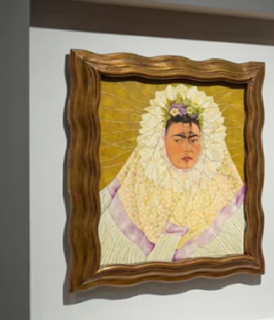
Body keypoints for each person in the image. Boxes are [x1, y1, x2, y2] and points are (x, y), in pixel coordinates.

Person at [96, 84, 246, 266]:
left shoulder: (218, 186)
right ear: (162, 141)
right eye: (178, 140)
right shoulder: (139, 183)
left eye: (194, 140)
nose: (187, 148)